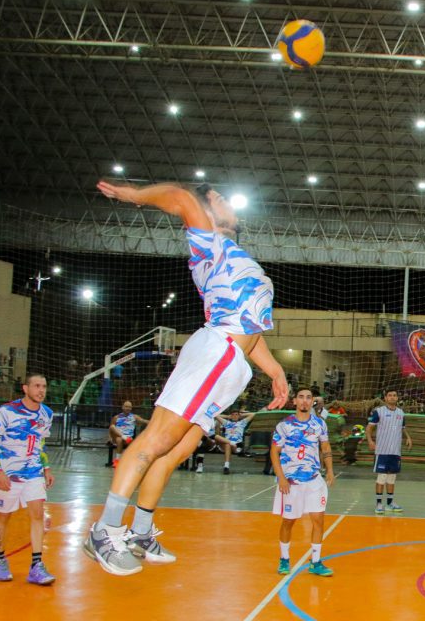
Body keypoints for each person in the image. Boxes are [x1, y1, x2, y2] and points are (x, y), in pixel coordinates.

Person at [84, 181, 288, 576]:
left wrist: (275, 369)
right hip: (216, 351)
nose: (229, 201)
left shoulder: (235, 254)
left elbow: (250, 330)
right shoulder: (208, 241)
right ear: (206, 210)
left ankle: (140, 532)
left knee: (175, 451)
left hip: (233, 358)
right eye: (219, 197)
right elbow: (178, 198)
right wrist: (133, 196)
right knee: (156, 439)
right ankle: (105, 529)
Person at [0, 373, 56, 585]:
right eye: (37, 386)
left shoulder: (46, 414)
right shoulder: (6, 411)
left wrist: (46, 468)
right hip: (7, 474)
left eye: (44, 386)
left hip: (33, 472)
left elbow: (40, 444)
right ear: (25, 388)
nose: (41, 390)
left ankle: (36, 566)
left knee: (38, 514)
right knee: (2, 518)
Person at [271, 388, 335, 577]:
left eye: (309, 398)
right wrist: (281, 477)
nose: (305, 401)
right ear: (295, 401)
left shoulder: (319, 424)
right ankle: (284, 559)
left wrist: (330, 470)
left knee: (318, 520)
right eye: (301, 397)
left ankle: (315, 562)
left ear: (313, 401)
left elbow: (325, 446)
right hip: (291, 481)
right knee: (288, 522)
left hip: (314, 480)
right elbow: (274, 451)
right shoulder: (285, 425)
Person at [366, 389, 412, 514]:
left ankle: (390, 503)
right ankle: (379, 504)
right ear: (385, 398)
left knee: (392, 478)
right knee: (382, 477)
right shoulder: (379, 412)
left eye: (395, 395)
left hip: (395, 451)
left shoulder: (401, 413)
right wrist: (370, 441)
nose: (392, 397)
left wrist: (407, 437)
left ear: (397, 398)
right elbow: (369, 428)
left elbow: (402, 428)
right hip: (382, 450)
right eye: (390, 395)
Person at [108, 401, 149, 468]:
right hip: (116, 438)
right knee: (112, 427)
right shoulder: (116, 417)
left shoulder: (134, 417)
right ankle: (123, 437)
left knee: (119, 440)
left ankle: (117, 461)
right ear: (123, 407)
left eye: (130, 407)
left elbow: (144, 421)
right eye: (126, 406)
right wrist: (109, 438)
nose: (128, 408)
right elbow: (111, 430)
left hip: (128, 439)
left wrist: (154, 421)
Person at [215, 408, 255, 474]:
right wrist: (227, 416)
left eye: (236, 415)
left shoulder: (242, 423)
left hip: (236, 446)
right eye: (233, 415)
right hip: (226, 444)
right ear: (230, 416)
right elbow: (215, 415)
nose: (235, 416)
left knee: (228, 444)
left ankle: (226, 466)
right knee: (216, 437)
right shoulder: (226, 423)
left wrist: (242, 415)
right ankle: (226, 467)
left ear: (239, 416)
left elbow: (253, 414)